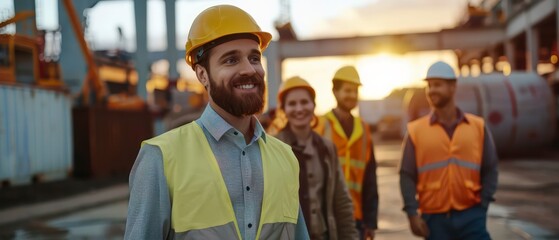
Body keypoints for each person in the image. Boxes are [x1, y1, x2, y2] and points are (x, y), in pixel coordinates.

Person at [124, 5, 309, 239]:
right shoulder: (160, 158)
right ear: (202, 75)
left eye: (254, 58)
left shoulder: (286, 158)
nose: (248, 69)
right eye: (231, 60)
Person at [399, 61, 499, 240]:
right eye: (429, 85)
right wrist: (412, 213)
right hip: (434, 220)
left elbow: (490, 168)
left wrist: (482, 205)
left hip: (471, 216)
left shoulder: (477, 127)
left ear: (453, 87)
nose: (431, 90)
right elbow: (406, 174)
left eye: (438, 85)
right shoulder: (416, 131)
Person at [274, 76, 358, 240]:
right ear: (283, 109)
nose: (299, 109)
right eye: (292, 104)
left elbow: (341, 201)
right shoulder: (273, 148)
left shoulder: (327, 148)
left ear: (313, 105)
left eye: (304, 102)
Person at [315, 66, 378, 239]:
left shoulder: (364, 129)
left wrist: (371, 221)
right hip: (325, 215)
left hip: (355, 217)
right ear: (335, 92)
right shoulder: (321, 125)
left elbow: (370, 178)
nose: (351, 95)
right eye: (347, 90)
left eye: (355, 91)